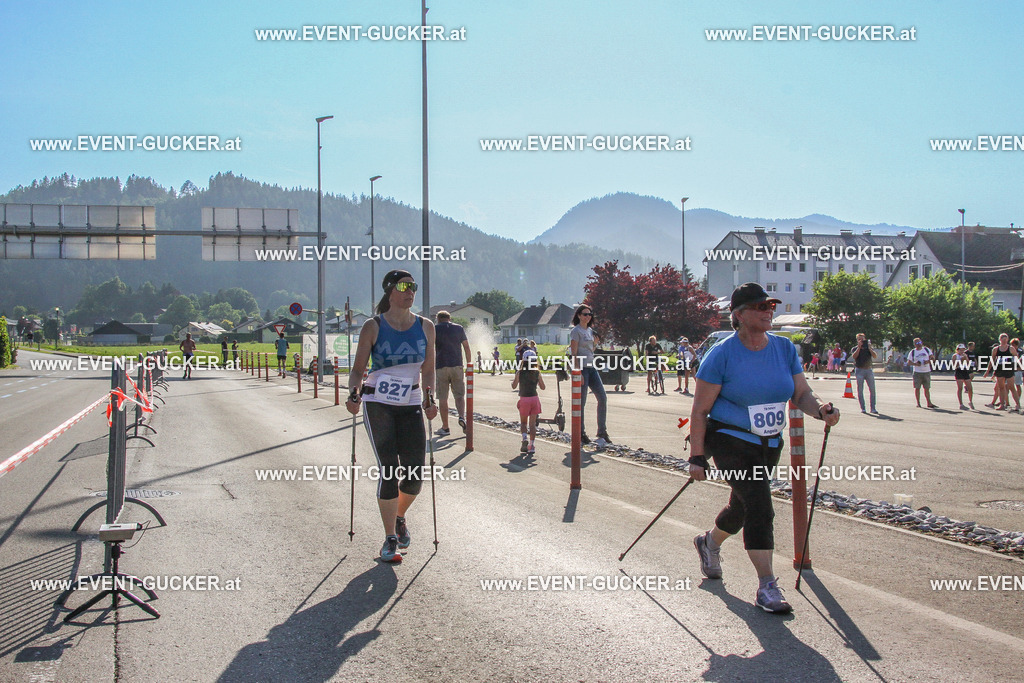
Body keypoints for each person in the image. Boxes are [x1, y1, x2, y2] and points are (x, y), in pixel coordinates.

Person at [689, 283, 840, 614]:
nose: (768, 310)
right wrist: (697, 457)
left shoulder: (785, 349)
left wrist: (822, 411)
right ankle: (767, 586)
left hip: (769, 442)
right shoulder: (722, 354)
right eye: (760, 306)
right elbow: (700, 410)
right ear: (739, 315)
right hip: (729, 438)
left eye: (770, 305)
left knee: (742, 508)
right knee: (760, 505)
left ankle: (709, 542)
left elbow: (800, 394)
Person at [346, 269, 437, 564]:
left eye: (413, 286)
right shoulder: (373, 326)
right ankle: (389, 539)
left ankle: (399, 516)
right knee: (389, 469)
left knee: (414, 478)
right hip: (377, 403)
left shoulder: (426, 327)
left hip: (410, 402)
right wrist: (353, 393)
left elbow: (428, 370)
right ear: (390, 291)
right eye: (404, 286)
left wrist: (430, 398)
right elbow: (359, 369)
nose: (411, 291)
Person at [569, 304, 612, 447]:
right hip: (582, 368)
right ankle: (580, 433)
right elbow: (573, 353)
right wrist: (577, 372)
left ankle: (602, 432)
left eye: (590, 314)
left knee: (602, 398)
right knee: (581, 402)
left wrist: (595, 344)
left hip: (592, 367)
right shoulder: (576, 331)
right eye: (585, 314)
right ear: (579, 315)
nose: (588, 316)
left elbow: (590, 350)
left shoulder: (590, 331)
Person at [434, 310, 471, 436]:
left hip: (441, 366)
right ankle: (461, 417)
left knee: (443, 397)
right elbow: (466, 346)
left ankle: (445, 427)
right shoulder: (459, 328)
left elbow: (429, 348)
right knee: (459, 395)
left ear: (438, 319)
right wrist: (469, 364)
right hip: (457, 365)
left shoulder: (435, 329)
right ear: (449, 318)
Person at [511, 350, 546, 455]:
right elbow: (543, 387)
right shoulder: (536, 372)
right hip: (534, 399)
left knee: (523, 423)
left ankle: (524, 438)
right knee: (532, 424)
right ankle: (531, 445)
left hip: (524, 399)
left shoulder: (519, 372)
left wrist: (517, 378)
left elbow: (513, 386)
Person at [849, 334, 878, 414]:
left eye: (862, 339)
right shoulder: (855, 348)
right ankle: (863, 408)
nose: (861, 341)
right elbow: (854, 357)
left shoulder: (868, 348)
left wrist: (869, 348)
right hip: (859, 370)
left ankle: (873, 408)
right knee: (860, 389)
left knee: (872, 390)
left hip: (868, 369)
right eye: (859, 339)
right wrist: (859, 347)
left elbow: (875, 356)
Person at [987, 333, 1016, 411]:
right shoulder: (996, 349)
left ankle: (1017, 405)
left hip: (1009, 370)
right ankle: (1002, 405)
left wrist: (1015, 367)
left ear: (1007, 340)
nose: (1004, 341)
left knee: (1011, 387)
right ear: (1000, 340)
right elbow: (992, 360)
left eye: (1005, 339)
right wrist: (988, 371)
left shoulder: (1011, 348)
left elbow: (1016, 357)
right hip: (999, 370)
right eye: (1002, 339)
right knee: (1001, 388)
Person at [908, 338, 936, 408]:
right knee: (917, 388)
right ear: (914, 344)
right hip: (917, 372)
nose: (919, 344)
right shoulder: (913, 352)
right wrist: (915, 364)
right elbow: (909, 362)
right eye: (917, 343)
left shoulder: (926, 350)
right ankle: (918, 403)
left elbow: (933, 358)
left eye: (920, 342)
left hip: (926, 371)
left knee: (927, 388)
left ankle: (929, 403)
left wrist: (928, 361)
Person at [952, 343, 974, 410]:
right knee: (960, 388)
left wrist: (966, 359)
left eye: (963, 350)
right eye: (960, 350)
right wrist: (961, 360)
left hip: (965, 370)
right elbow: (954, 366)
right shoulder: (955, 356)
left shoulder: (965, 355)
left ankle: (970, 401)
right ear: (957, 350)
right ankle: (961, 404)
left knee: (970, 387)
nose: (962, 351)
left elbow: (968, 364)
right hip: (959, 371)